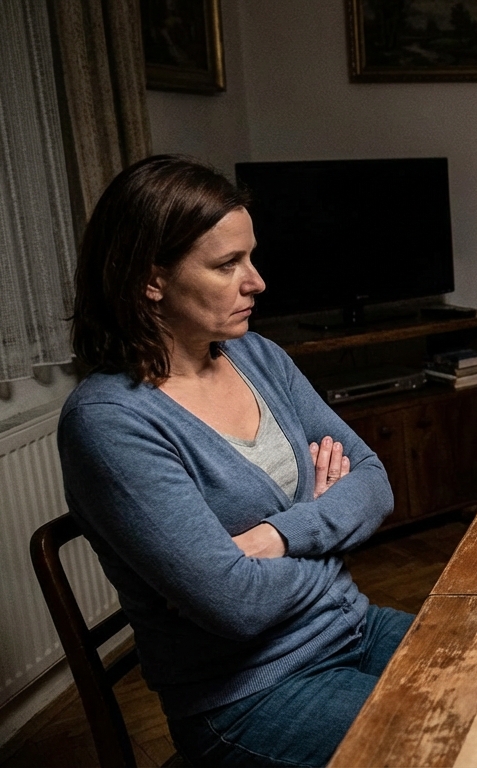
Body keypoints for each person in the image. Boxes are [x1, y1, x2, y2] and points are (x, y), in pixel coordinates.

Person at [59, 155, 411, 766]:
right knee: (463, 740)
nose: (257, 282)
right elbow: (236, 605)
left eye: (251, 257)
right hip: (251, 695)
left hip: (353, 627)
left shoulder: (259, 356)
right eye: (227, 265)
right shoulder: (110, 422)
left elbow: (375, 482)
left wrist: (276, 537)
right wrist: (330, 535)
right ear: (151, 280)